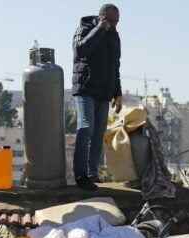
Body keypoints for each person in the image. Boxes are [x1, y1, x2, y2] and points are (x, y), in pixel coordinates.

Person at [72, 3, 123, 191]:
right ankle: (80, 175)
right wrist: (100, 29)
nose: (114, 25)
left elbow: (115, 66)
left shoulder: (114, 35)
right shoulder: (85, 27)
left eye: (116, 22)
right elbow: (80, 51)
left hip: (104, 92)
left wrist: (117, 93)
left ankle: (92, 173)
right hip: (85, 89)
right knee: (86, 127)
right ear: (101, 18)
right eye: (110, 21)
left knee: (98, 133)